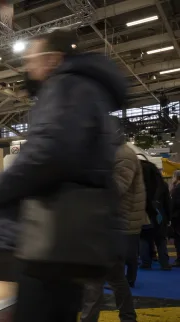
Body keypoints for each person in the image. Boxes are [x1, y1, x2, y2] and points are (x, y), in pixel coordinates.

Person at [0, 29, 126, 322]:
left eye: (31, 59)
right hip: (75, 235)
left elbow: (48, 152)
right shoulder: (90, 91)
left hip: (52, 234)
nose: (28, 68)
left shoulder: (63, 86)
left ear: (52, 60)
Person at [80, 128, 146, 322]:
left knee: (94, 281)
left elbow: (116, 188)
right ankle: (128, 317)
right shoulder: (117, 152)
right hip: (113, 224)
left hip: (111, 224)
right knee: (116, 278)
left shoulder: (123, 154)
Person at [139, 156, 172, 270]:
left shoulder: (140, 186)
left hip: (145, 215)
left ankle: (146, 263)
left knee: (144, 239)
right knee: (161, 240)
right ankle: (165, 263)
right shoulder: (162, 185)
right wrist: (168, 217)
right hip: (160, 215)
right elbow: (168, 202)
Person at [171, 170, 180, 267]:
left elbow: (173, 204)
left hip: (177, 217)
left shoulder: (176, 189)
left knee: (178, 239)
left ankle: (179, 259)